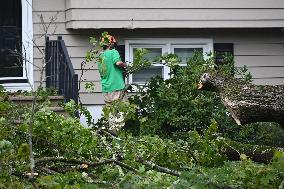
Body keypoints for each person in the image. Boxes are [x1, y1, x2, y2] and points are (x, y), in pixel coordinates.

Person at [98, 34, 126, 135]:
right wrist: (124, 65)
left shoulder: (100, 56)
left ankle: (112, 132)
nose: (114, 45)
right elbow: (117, 63)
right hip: (116, 86)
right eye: (113, 43)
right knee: (125, 108)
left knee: (111, 112)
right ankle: (117, 129)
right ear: (110, 44)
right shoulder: (113, 52)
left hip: (106, 88)